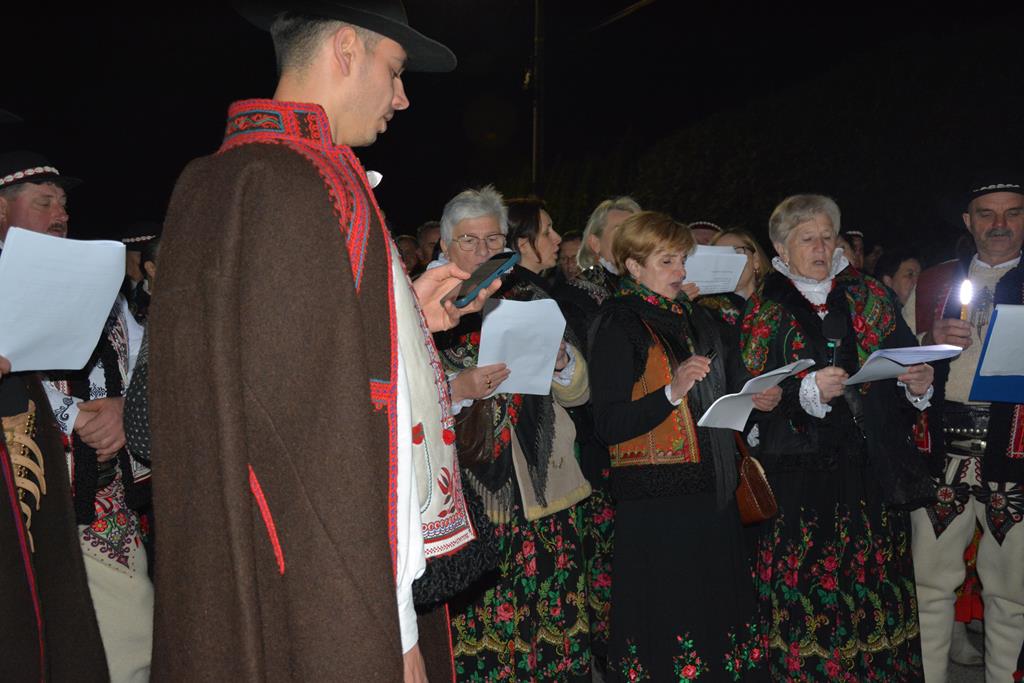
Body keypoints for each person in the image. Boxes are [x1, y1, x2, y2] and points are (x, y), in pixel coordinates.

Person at [148, 5, 499, 681]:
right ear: (346, 49)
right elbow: (330, 445)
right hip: (326, 593)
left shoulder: (217, 178)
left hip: (245, 571)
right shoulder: (310, 185)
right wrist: (397, 631)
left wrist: (404, 315)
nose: (402, 97)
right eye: (395, 70)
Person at [741, 194, 933, 680]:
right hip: (800, 479)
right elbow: (750, 389)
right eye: (808, 238)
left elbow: (904, 358)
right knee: (809, 592)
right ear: (781, 247)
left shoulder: (871, 295)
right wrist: (802, 390)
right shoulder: (764, 308)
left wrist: (917, 384)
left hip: (870, 472)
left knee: (873, 591)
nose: (821, 247)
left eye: (828, 237)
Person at [589, 211, 780, 681]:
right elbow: (608, 423)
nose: (680, 271)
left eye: (682, 260)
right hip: (657, 504)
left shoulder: (693, 316)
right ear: (634, 266)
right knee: (669, 619)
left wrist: (754, 396)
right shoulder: (618, 321)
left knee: (715, 614)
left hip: (711, 490)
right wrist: (671, 392)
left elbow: (722, 389)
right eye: (667, 261)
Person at [1, 150, 151, 683]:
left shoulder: (98, 284)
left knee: (130, 646)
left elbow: (139, 362)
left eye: (63, 204)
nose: (60, 214)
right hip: (23, 506)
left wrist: (125, 409)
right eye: (44, 202)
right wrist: (70, 417)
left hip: (99, 502)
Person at [436, 188, 594, 680]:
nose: (484, 250)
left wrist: (563, 362)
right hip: (469, 496)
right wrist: (456, 388)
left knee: (554, 624)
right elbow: (399, 401)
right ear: (445, 245)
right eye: (470, 240)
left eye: (494, 239)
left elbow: (578, 394)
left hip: (544, 486)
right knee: (488, 635)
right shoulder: (425, 307)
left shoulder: (531, 293)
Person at [905, 176, 1024, 683]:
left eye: (1013, 212)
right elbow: (895, 359)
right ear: (967, 221)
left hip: (1016, 448)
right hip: (940, 447)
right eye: (987, 213)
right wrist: (928, 341)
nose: (1000, 224)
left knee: (1012, 593)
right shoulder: (933, 282)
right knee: (929, 586)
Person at [555, 196, 640, 345]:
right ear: (595, 243)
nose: (631, 238)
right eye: (620, 231)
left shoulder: (648, 287)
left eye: (636, 231)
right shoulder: (574, 296)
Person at [698, 227, 772, 328]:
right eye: (720, 257)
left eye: (736, 252)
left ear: (755, 260)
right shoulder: (702, 314)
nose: (728, 262)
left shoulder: (781, 299)